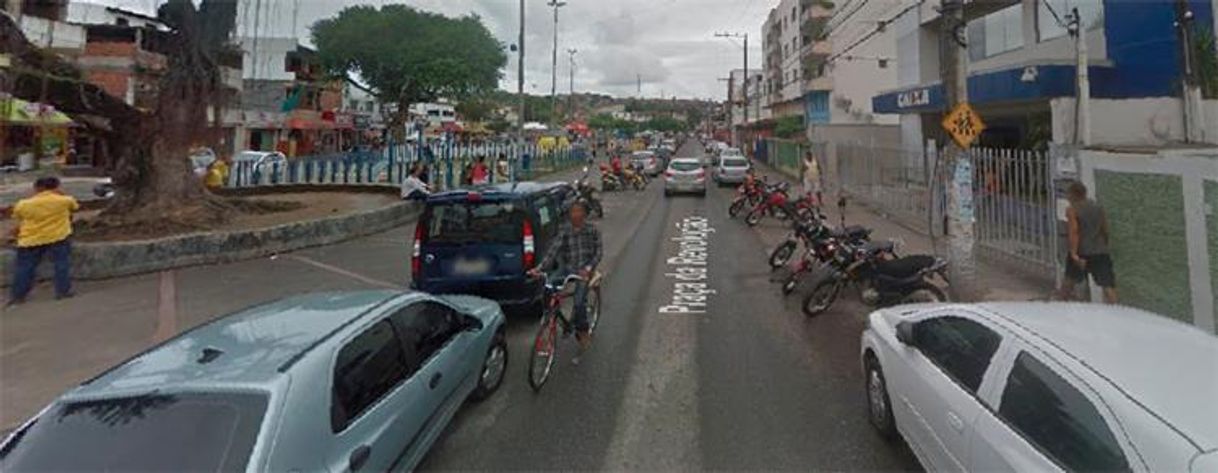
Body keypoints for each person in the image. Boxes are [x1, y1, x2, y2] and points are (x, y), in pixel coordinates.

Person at [528, 201, 602, 357]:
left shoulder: (592, 230)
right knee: (547, 288)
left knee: (579, 301)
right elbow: (553, 250)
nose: (575, 215)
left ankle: (582, 331)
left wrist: (589, 268)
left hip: (584, 269)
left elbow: (598, 252)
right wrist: (539, 269)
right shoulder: (565, 230)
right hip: (567, 267)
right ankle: (550, 318)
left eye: (578, 211)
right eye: (572, 212)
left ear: (584, 214)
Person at [9, 177, 79, 305]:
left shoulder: (23, 204)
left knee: (25, 267)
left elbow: (17, 217)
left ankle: (18, 296)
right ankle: (62, 291)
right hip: (58, 236)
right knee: (61, 264)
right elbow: (74, 207)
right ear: (57, 187)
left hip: (30, 239)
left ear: (36, 188)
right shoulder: (65, 200)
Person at [1057, 180, 1117, 304]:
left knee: (1069, 281)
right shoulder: (1098, 207)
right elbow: (1105, 229)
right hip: (1100, 251)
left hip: (1081, 251)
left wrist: (1074, 253)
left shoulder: (1072, 209)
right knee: (1107, 284)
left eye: (1068, 194)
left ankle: (1060, 307)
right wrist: (1104, 244)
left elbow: (1074, 231)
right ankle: (1117, 310)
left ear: (1073, 194)